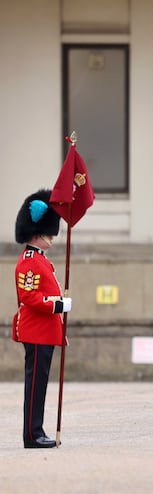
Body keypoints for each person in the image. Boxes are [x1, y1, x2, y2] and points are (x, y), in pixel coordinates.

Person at [13, 189, 71, 449]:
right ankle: (32, 435)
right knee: (35, 386)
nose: (53, 238)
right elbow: (29, 297)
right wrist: (57, 304)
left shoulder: (40, 261)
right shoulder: (29, 262)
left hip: (44, 332)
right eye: (49, 233)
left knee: (40, 385)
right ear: (37, 234)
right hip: (36, 332)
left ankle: (36, 431)